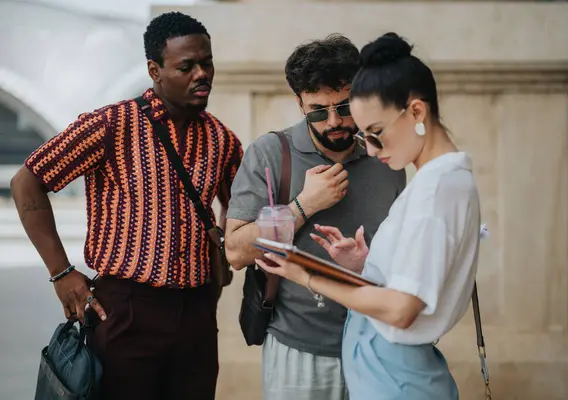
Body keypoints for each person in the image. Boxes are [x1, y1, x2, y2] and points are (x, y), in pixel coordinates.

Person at [10, 12, 243, 400]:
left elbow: (240, 207)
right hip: (126, 309)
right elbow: (26, 182)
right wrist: (61, 272)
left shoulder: (222, 139)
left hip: (197, 314)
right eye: (186, 66)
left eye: (207, 62)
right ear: (155, 70)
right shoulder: (111, 124)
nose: (201, 74)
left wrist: (220, 256)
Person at [256, 32, 481, 400]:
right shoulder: (437, 180)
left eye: (376, 134)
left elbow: (401, 309)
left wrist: (307, 276)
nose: (373, 152)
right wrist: (365, 266)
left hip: (395, 374)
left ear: (417, 112)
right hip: (387, 371)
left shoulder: (436, 189)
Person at [225, 34, 406, 400]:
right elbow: (236, 252)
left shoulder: (386, 157)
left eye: (345, 106)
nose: (335, 120)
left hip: (377, 345)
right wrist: (304, 206)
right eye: (319, 111)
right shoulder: (270, 153)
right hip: (298, 349)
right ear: (299, 103)